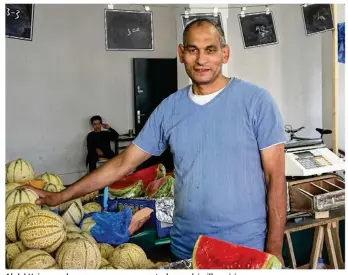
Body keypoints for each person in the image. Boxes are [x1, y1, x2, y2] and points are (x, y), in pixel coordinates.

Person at [28, 19, 287, 265]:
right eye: (193, 50)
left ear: (225, 53)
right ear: (181, 53)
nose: (201, 59)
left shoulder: (256, 102)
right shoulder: (169, 109)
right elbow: (123, 164)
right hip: (187, 247)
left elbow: (275, 178)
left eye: (210, 50)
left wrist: (274, 250)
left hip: (244, 246)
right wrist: (62, 195)